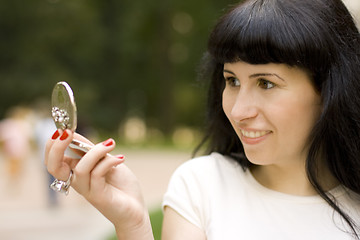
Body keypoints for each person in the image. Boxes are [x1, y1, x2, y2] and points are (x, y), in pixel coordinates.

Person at [45, 0, 360, 239]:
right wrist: (133, 223)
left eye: (266, 83)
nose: (238, 111)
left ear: (330, 89)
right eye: (232, 81)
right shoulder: (202, 187)